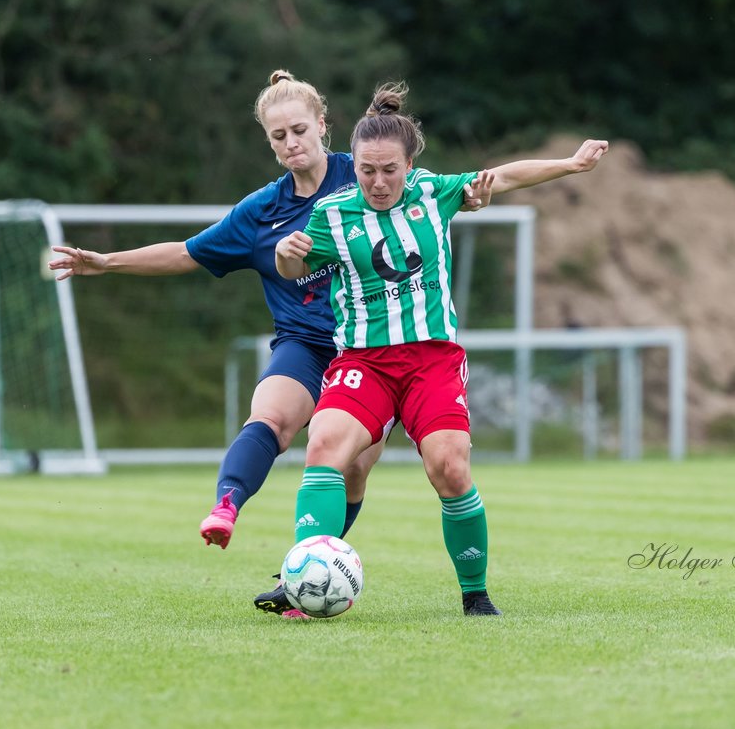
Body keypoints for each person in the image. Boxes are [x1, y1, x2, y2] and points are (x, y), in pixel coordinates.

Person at [49, 71, 490, 616]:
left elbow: (438, 196)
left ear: (324, 126)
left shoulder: (371, 173)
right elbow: (188, 253)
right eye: (277, 136)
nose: (290, 143)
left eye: (299, 130)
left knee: (352, 468)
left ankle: (301, 574)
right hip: (307, 344)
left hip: (375, 350)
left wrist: (470, 197)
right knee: (273, 418)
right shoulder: (260, 211)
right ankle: (227, 505)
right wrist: (109, 262)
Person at [272, 81, 608, 616]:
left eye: (390, 170)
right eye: (366, 171)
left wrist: (570, 164)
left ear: (411, 164)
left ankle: (475, 593)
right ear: (352, 164)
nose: (378, 183)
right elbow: (294, 269)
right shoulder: (331, 215)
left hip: (432, 360)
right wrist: (288, 254)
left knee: (449, 467)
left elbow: (503, 175)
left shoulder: (436, 193)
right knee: (324, 447)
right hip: (364, 362)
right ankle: (302, 582)